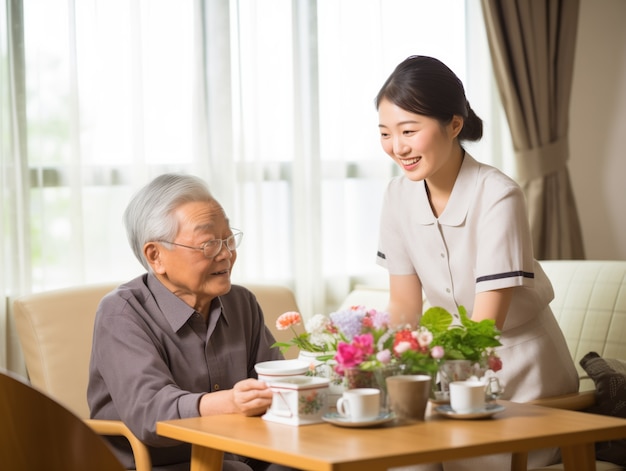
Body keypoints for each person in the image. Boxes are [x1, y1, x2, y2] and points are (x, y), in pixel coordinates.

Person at [374, 56, 579, 470]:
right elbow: (405, 308)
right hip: (450, 375)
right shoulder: (397, 196)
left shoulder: (499, 195)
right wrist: (381, 367)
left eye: (409, 131)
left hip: (522, 381)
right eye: (385, 133)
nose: (398, 147)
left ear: (454, 124)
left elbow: (486, 329)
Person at [88, 174, 290, 471]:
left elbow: (276, 383)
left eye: (228, 239)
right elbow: (150, 411)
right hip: (157, 465)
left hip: (240, 456)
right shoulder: (121, 313)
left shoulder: (242, 302)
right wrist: (231, 403)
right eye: (208, 244)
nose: (226, 254)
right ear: (156, 256)